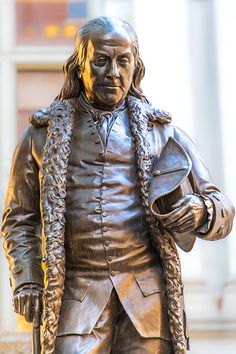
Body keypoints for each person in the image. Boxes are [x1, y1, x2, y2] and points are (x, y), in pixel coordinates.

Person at [1, 16, 234, 354]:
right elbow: (19, 218)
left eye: (123, 61)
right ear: (79, 66)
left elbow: (221, 206)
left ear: (135, 66)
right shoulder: (42, 135)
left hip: (147, 299)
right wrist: (26, 279)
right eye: (101, 60)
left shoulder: (161, 133)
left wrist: (201, 210)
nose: (113, 71)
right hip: (76, 297)